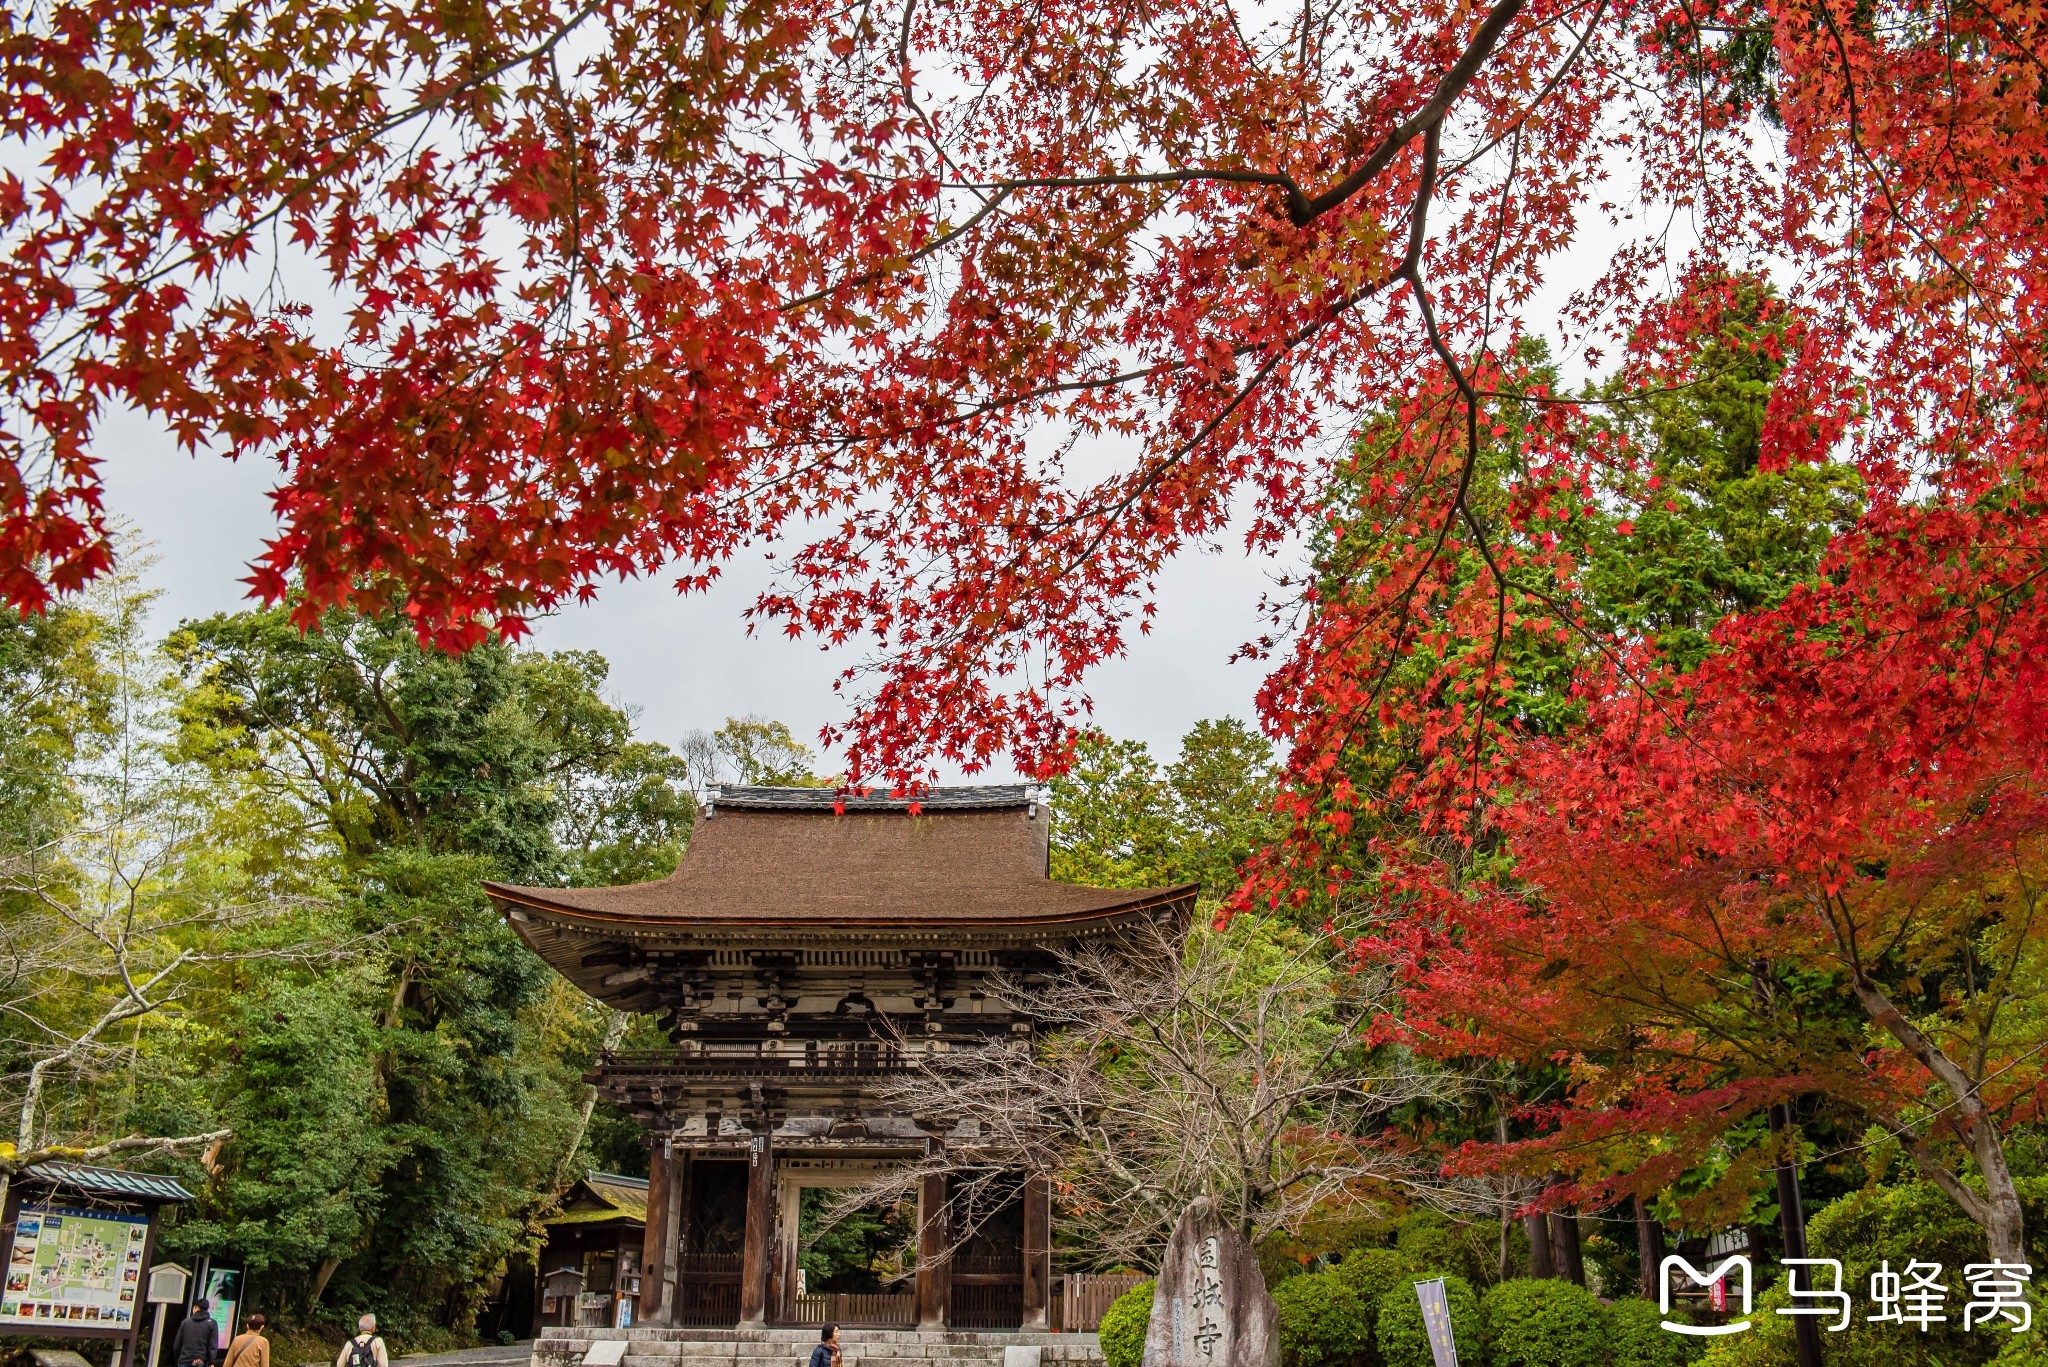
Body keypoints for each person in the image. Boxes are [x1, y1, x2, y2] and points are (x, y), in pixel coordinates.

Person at [169, 1301, 217, 1367]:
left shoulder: (185, 1322)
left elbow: (177, 1344)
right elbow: (212, 1345)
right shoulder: (212, 1323)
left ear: (195, 1307)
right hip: (201, 1362)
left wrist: (178, 1359)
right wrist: (211, 1362)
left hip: (184, 1360)